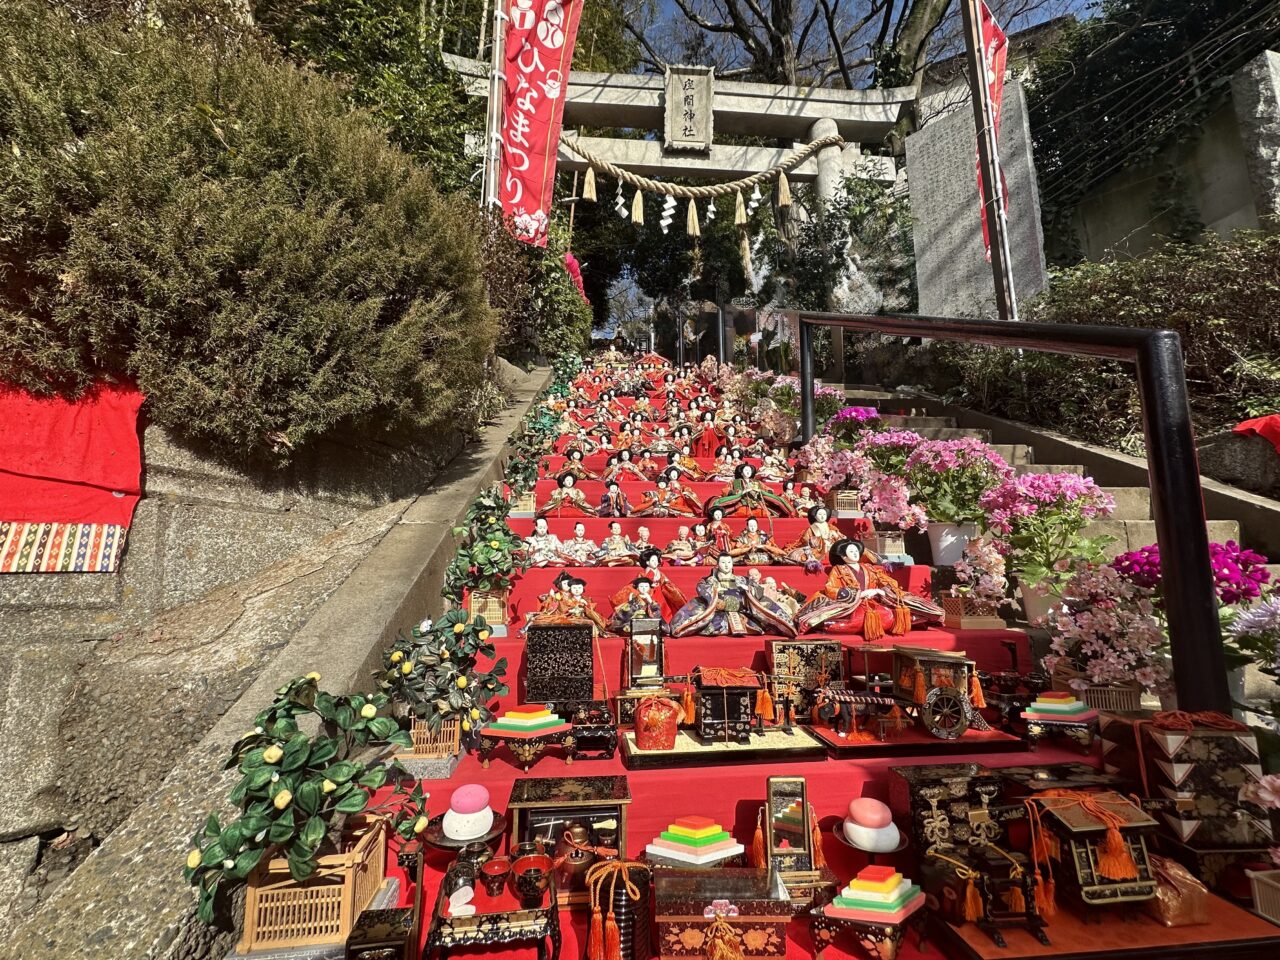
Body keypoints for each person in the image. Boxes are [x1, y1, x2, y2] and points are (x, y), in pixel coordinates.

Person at [795, 539, 944, 638]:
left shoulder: (869, 568)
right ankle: (836, 625)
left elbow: (888, 582)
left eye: (855, 551)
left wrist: (880, 591)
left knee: (891, 613)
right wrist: (859, 594)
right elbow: (831, 589)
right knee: (856, 619)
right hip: (853, 603)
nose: (854, 554)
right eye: (850, 552)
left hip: (875, 601)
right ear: (843, 556)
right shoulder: (838, 570)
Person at [669, 553, 797, 637]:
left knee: (764, 603)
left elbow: (757, 589)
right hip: (718, 611)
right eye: (723, 562)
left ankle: (788, 626)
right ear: (717, 564)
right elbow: (703, 590)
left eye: (729, 562)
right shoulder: (709, 580)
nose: (726, 565)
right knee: (698, 607)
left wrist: (748, 590)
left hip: (743, 611)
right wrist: (717, 595)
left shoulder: (741, 579)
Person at [710, 463, 795, 518]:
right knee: (739, 513)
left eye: (749, 470)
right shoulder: (734, 482)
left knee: (766, 513)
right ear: (741, 473)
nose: (748, 472)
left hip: (757, 503)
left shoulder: (757, 482)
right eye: (745, 470)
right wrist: (740, 493)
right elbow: (725, 490)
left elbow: (768, 490)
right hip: (741, 503)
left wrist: (760, 491)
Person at [786, 505, 844, 570]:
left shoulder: (830, 527)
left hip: (830, 546)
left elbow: (839, 537)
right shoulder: (811, 528)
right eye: (820, 514)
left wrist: (835, 536)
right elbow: (805, 540)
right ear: (815, 516)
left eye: (824, 514)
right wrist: (818, 541)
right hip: (816, 548)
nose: (822, 516)